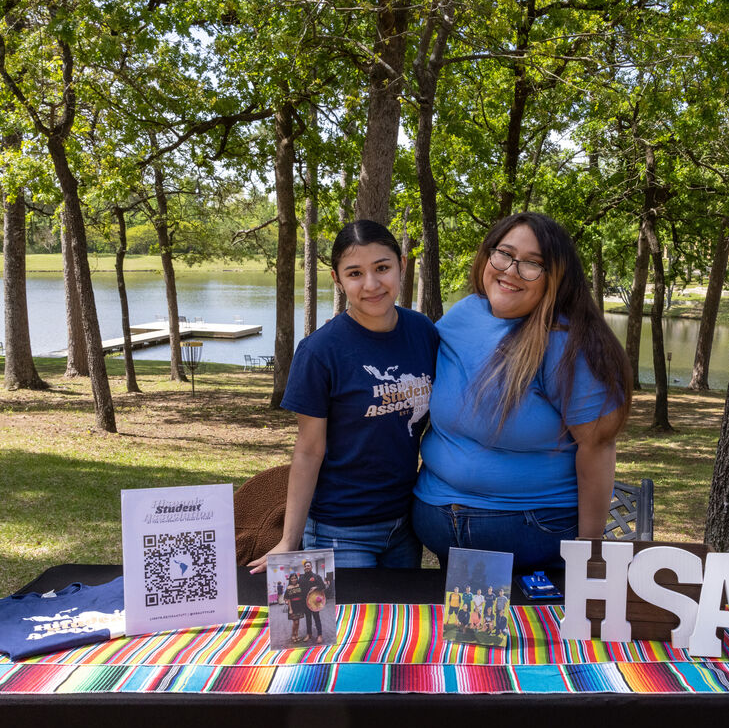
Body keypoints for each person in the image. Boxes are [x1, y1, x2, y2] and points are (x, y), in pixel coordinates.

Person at [412, 212, 631, 572]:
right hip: (436, 526)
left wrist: (589, 552)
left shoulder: (567, 344)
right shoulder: (463, 314)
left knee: (532, 630)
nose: (511, 270)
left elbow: (598, 446)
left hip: (529, 534)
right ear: (487, 255)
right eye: (504, 254)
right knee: (460, 630)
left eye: (533, 264)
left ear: (556, 278)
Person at [249, 220, 439, 572]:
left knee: (398, 627)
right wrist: (289, 540)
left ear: (402, 264)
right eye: (355, 273)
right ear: (337, 279)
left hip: (404, 523)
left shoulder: (423, 332)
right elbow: (308, 450)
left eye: (382, 268)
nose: (371, 284)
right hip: (339, 530)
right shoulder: (320, 351)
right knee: (349, 628)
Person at [283, 573, 304, 643]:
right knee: (295, 622)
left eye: (295, 578)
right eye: (292, 578)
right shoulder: (289, 587)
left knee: (298, 622)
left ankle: (297, 634)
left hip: (299, 605)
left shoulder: (300, 585)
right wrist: (290, 609)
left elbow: (302, 594)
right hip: (292, 606)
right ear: (290, 579)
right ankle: (293, 635)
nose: (294, 580)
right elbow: (287, 598)